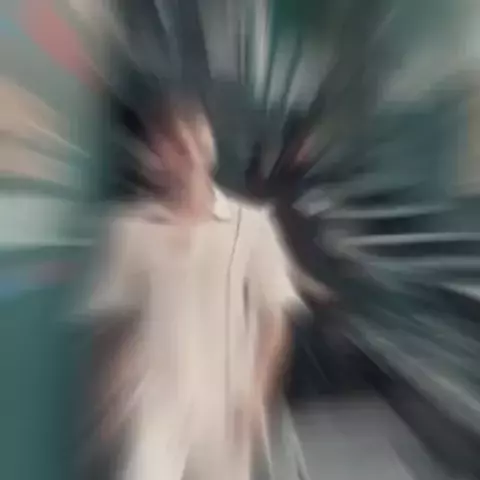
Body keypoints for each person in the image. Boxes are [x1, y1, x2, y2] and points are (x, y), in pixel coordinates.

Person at [82, 92, 309, 480]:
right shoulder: (128, 231)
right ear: (155, 155)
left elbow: (275, 319)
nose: (188, 146)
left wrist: (256, 392)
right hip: (151, 411)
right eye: (172, 140)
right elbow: (114, 324)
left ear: (210, 140)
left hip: (226, 412)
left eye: (195, 131)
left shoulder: (253, 226)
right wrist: (111, 395)